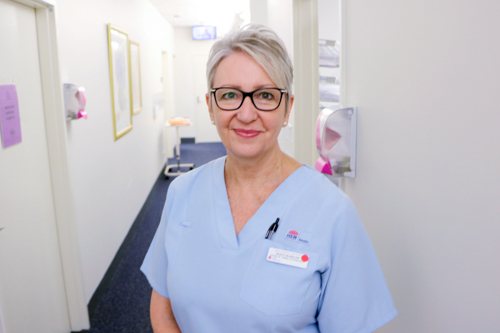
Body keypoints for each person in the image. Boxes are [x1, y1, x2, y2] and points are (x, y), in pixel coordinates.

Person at [141, 24, 397, 333]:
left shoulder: (333, 213)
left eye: (264, 95)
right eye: (230, 94)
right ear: (211, 107)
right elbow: (164, 310)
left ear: (287, 108)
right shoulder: (182, 192)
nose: (246, 114)